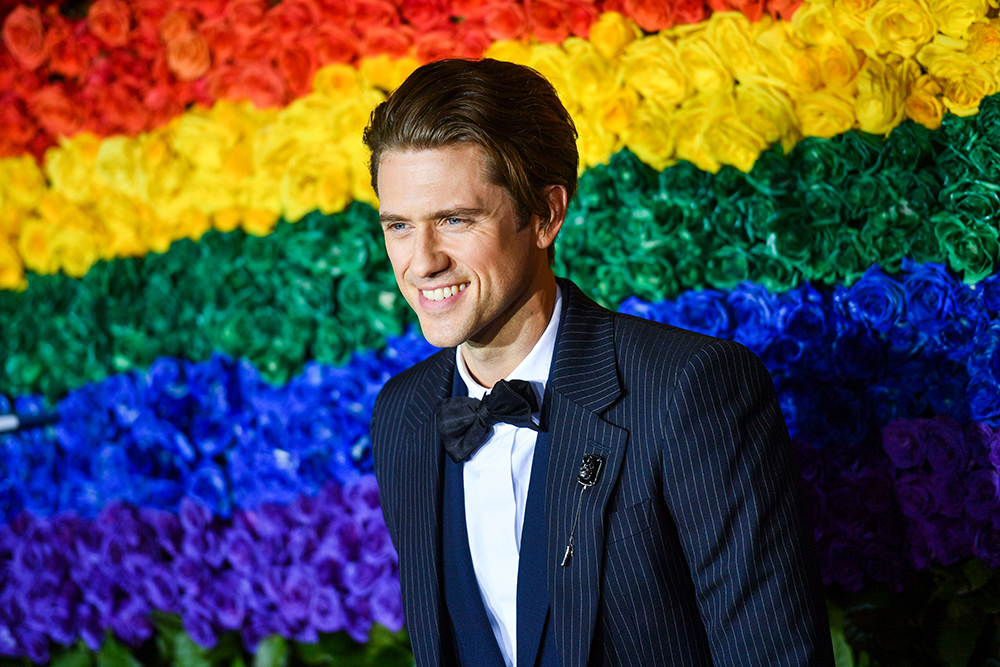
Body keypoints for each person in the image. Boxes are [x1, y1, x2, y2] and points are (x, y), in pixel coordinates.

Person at [365, 58, 834, 667]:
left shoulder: (689, 388)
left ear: (546, 215)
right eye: (399, 225)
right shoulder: (403, 415)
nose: (421, 261)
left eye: (455, 220)